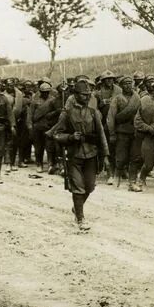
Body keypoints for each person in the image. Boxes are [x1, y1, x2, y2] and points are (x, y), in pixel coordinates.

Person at [51, 76, 110, 231]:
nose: (87, 97)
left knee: (90, 187)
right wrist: (70, 137)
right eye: (84, 94)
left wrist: (106, 155)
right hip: (74, 154)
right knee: (78, 187)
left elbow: (101, 135)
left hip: (91, 154)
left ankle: (77, 208)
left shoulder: (93, 112)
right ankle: (80, 218)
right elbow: (56, 134)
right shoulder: (67, 113)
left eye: (88, 94)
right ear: (76, 95)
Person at [108, 75, 143, 191]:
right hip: (121, 132)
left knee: (134, 157)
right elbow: (111, 117)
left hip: (135, 132)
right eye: (125, 83)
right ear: (121, 85)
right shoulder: (117, 98)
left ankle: (132, 182)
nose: (128, 85)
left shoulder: (137, 98)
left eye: (130, 83)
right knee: (121, 157)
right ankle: (116, 178)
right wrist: (112, 133)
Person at [30, 80, 61, 172]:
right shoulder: (35, 101)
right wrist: (30, 126)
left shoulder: (53, 100)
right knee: (38, 147)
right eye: (43, 92)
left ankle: (51, 164)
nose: (45, 94)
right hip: (38, 126)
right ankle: (39, 164)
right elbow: (30, 114)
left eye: (47, 92)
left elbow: (57, 113)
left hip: (48, 126)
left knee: (50, 147)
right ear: (40, 92)